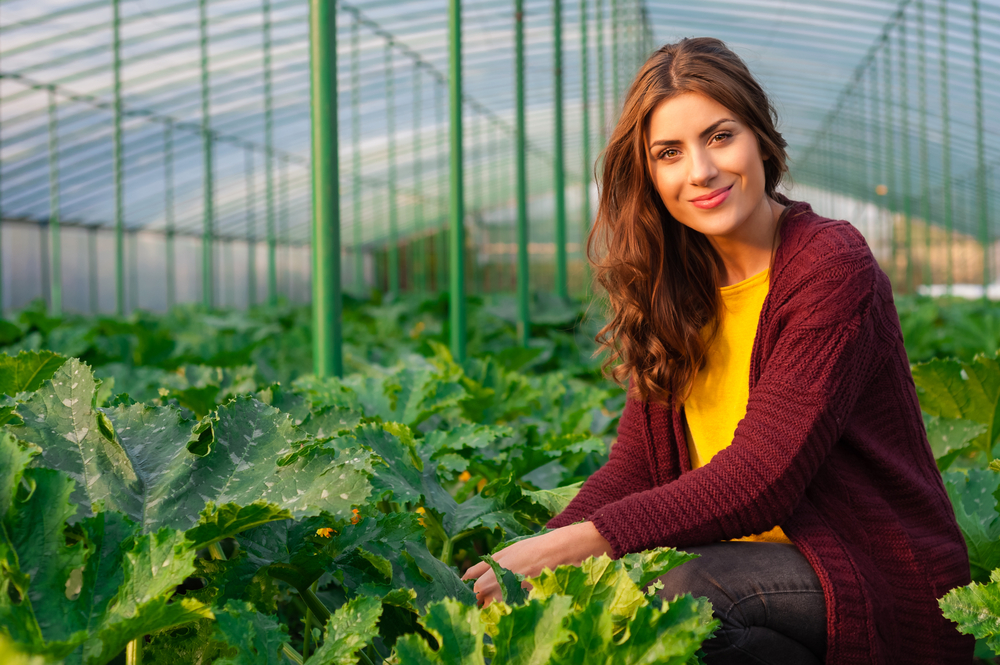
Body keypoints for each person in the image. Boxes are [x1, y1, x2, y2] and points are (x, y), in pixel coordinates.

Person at [462, 37, 973, 664]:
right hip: (748, 576)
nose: (699, 171)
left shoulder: (829, 266)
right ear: (649, 174)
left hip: (869, 571)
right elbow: (635, 467)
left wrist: (582, 545)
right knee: (661, 609)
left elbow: (762, 479)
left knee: (679, 591)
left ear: (760, 138)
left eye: (720, 136)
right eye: (669, 153)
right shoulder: (676, 287)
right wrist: (526, 561)